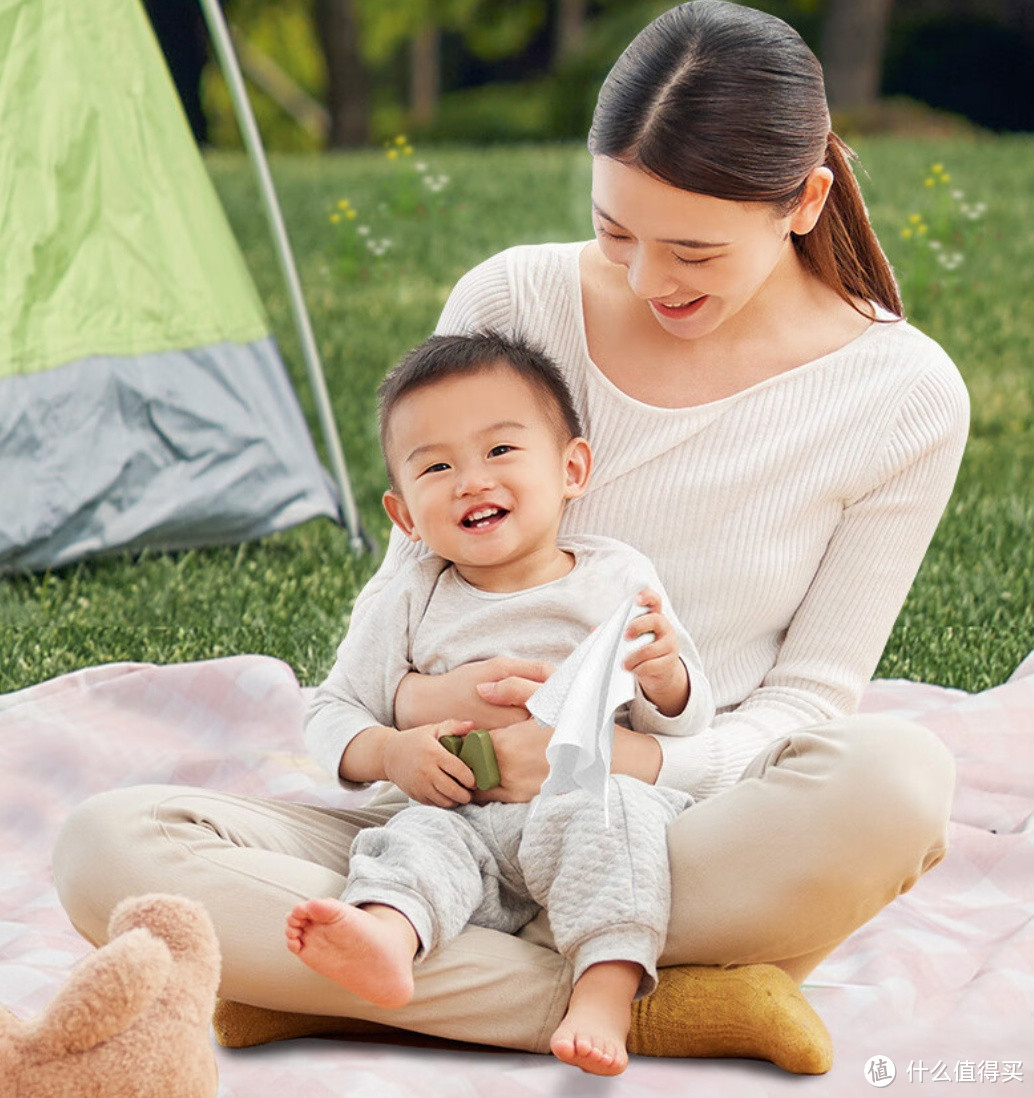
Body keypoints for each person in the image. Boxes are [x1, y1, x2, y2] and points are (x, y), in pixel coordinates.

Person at [52, 0, 969, 1067]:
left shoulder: (901, 396)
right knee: (105, 851)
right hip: (435, 824)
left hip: (668, 829)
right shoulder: (512, 299)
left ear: (802, 201)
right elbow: (407, 599)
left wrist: (619, 760)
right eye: (614, 230)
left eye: (692, 252)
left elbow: (808, 700)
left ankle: (341, 984)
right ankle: (652, 1000)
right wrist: (424, 716)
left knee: (898, 783)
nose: (645, 280)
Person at [287, 329, 713, 1075]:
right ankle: (387, 938)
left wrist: (664, 677)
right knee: (408, 844)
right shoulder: (409, 595)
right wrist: (389, 751)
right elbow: (331, 711)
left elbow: (681, 721)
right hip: (462, 821)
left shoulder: (615, 576)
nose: (470, 481)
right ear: (405, 516)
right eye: (438, 466)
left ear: (572, 467)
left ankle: (605, 993)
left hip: (578, 805)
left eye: (501, 452)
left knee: (622, 821)